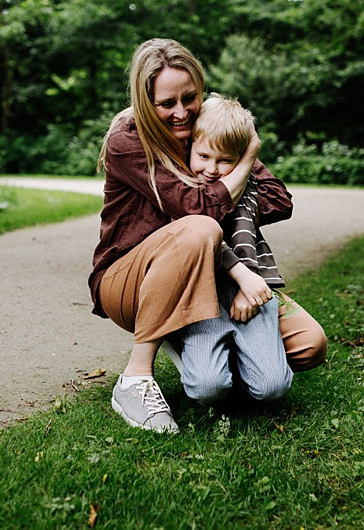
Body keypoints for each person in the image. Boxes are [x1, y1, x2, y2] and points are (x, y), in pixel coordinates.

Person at [90, 38, 327, 434]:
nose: (181, 113)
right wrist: (246, 159)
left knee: (310, 343)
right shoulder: (128, 141)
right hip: (131, 279)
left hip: (213, 274)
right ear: (145, 101)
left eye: (190, 97)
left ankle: (221, 360)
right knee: (201, 225)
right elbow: (199, 212)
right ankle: (135, 377)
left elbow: (277, 199)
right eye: (167, 104)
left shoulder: (205, 133)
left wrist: (229, 164)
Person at [172, 94, 301, 405]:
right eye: (203, 156)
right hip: (201, 290)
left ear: (242, 159)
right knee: (207, 389)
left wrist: (248, 285)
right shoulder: (179, 184)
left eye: (225, 160)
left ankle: (243, 361)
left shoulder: (244, 184)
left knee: (272, 387)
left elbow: (258, 221)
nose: (213, 170)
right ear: (191, 147)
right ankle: (196, 351)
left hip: (250, 287)